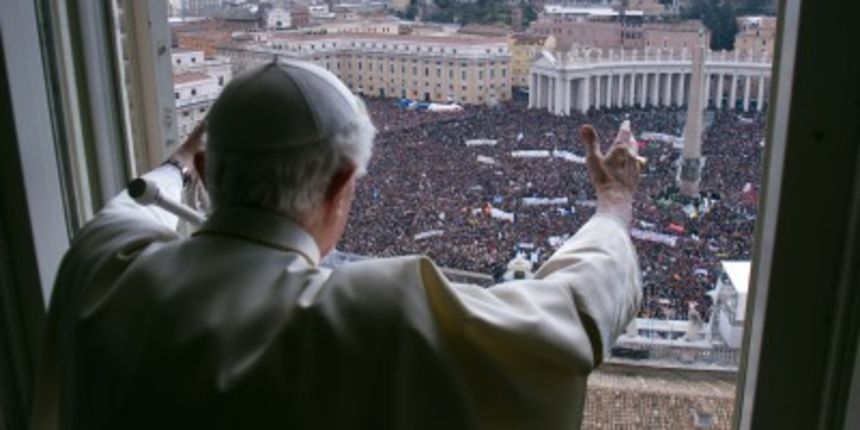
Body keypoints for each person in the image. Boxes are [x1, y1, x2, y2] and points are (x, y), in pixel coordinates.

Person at [30, 59, 641, 430]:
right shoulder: (378, 315)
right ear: (343, 185)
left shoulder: (101, 267)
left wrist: (179, 163)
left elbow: (127, 207)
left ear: (211, 175)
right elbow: (573, 315)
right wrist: (614, 206)